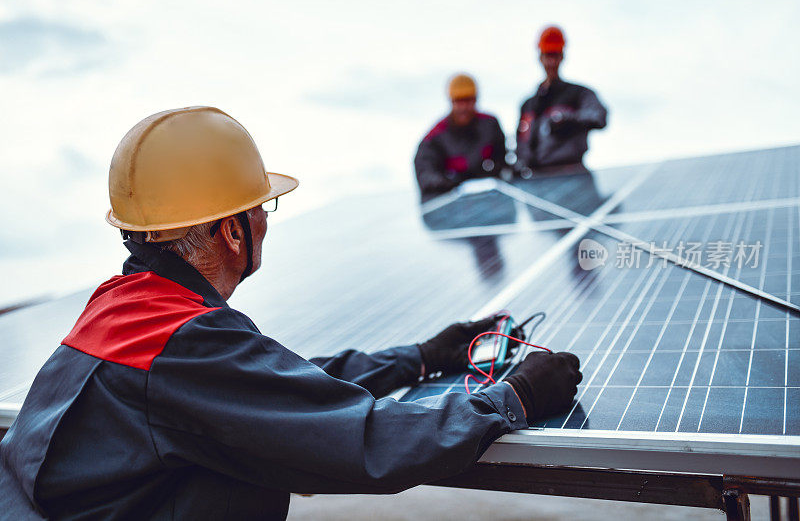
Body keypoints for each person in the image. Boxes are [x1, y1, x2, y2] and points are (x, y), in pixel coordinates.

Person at [0, 107, 582, 520]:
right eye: (261, 207)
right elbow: (362, 441)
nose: (266, 220)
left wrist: (421, 358)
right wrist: (516, 398)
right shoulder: (187, 345)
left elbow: (269, 389)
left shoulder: (126, 307)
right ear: (232, 231)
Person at [515, 26, 608, 174]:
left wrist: (566, 119)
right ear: (540, 57)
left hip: (572, 173)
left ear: (562, 56)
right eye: (548, 55)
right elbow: (521, 142)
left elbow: (599, 116)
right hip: (535, 178)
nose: (551, 62)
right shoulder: (529, 105)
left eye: (555, 55)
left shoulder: (579, 94)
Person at [414, 73, 509, 200]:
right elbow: (425, 174)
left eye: (468, 100)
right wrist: (451, 183)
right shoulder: (435, 137)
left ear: (475, 100)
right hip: (450, 206)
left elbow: (502, 162)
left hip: (489, 201)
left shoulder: (490, 126)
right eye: (459, 101)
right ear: (451, 101)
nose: (464, 107)